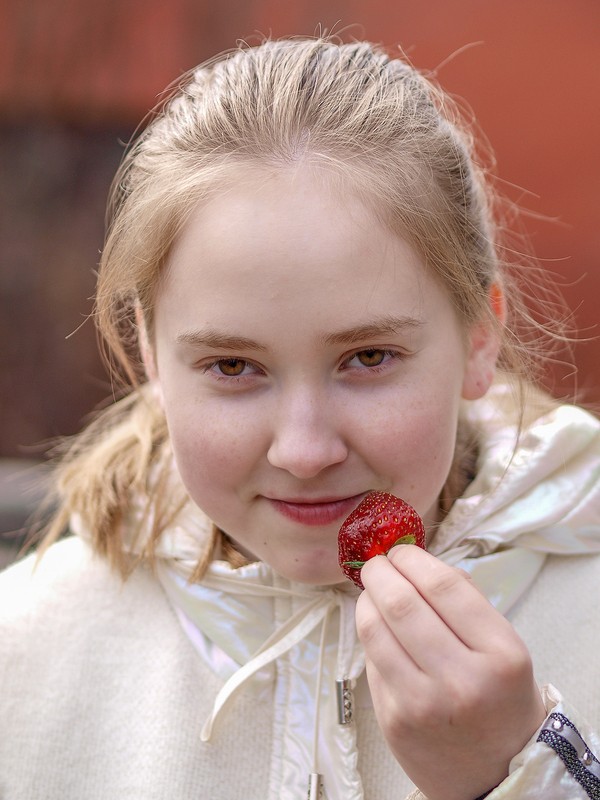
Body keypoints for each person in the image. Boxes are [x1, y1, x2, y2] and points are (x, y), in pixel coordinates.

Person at [0, 36, 599, 800]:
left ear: (480, 338)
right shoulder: (24, 656)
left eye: (369, 358)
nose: (306, 450)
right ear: (150, 352)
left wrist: (525, 772)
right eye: (233, 367)